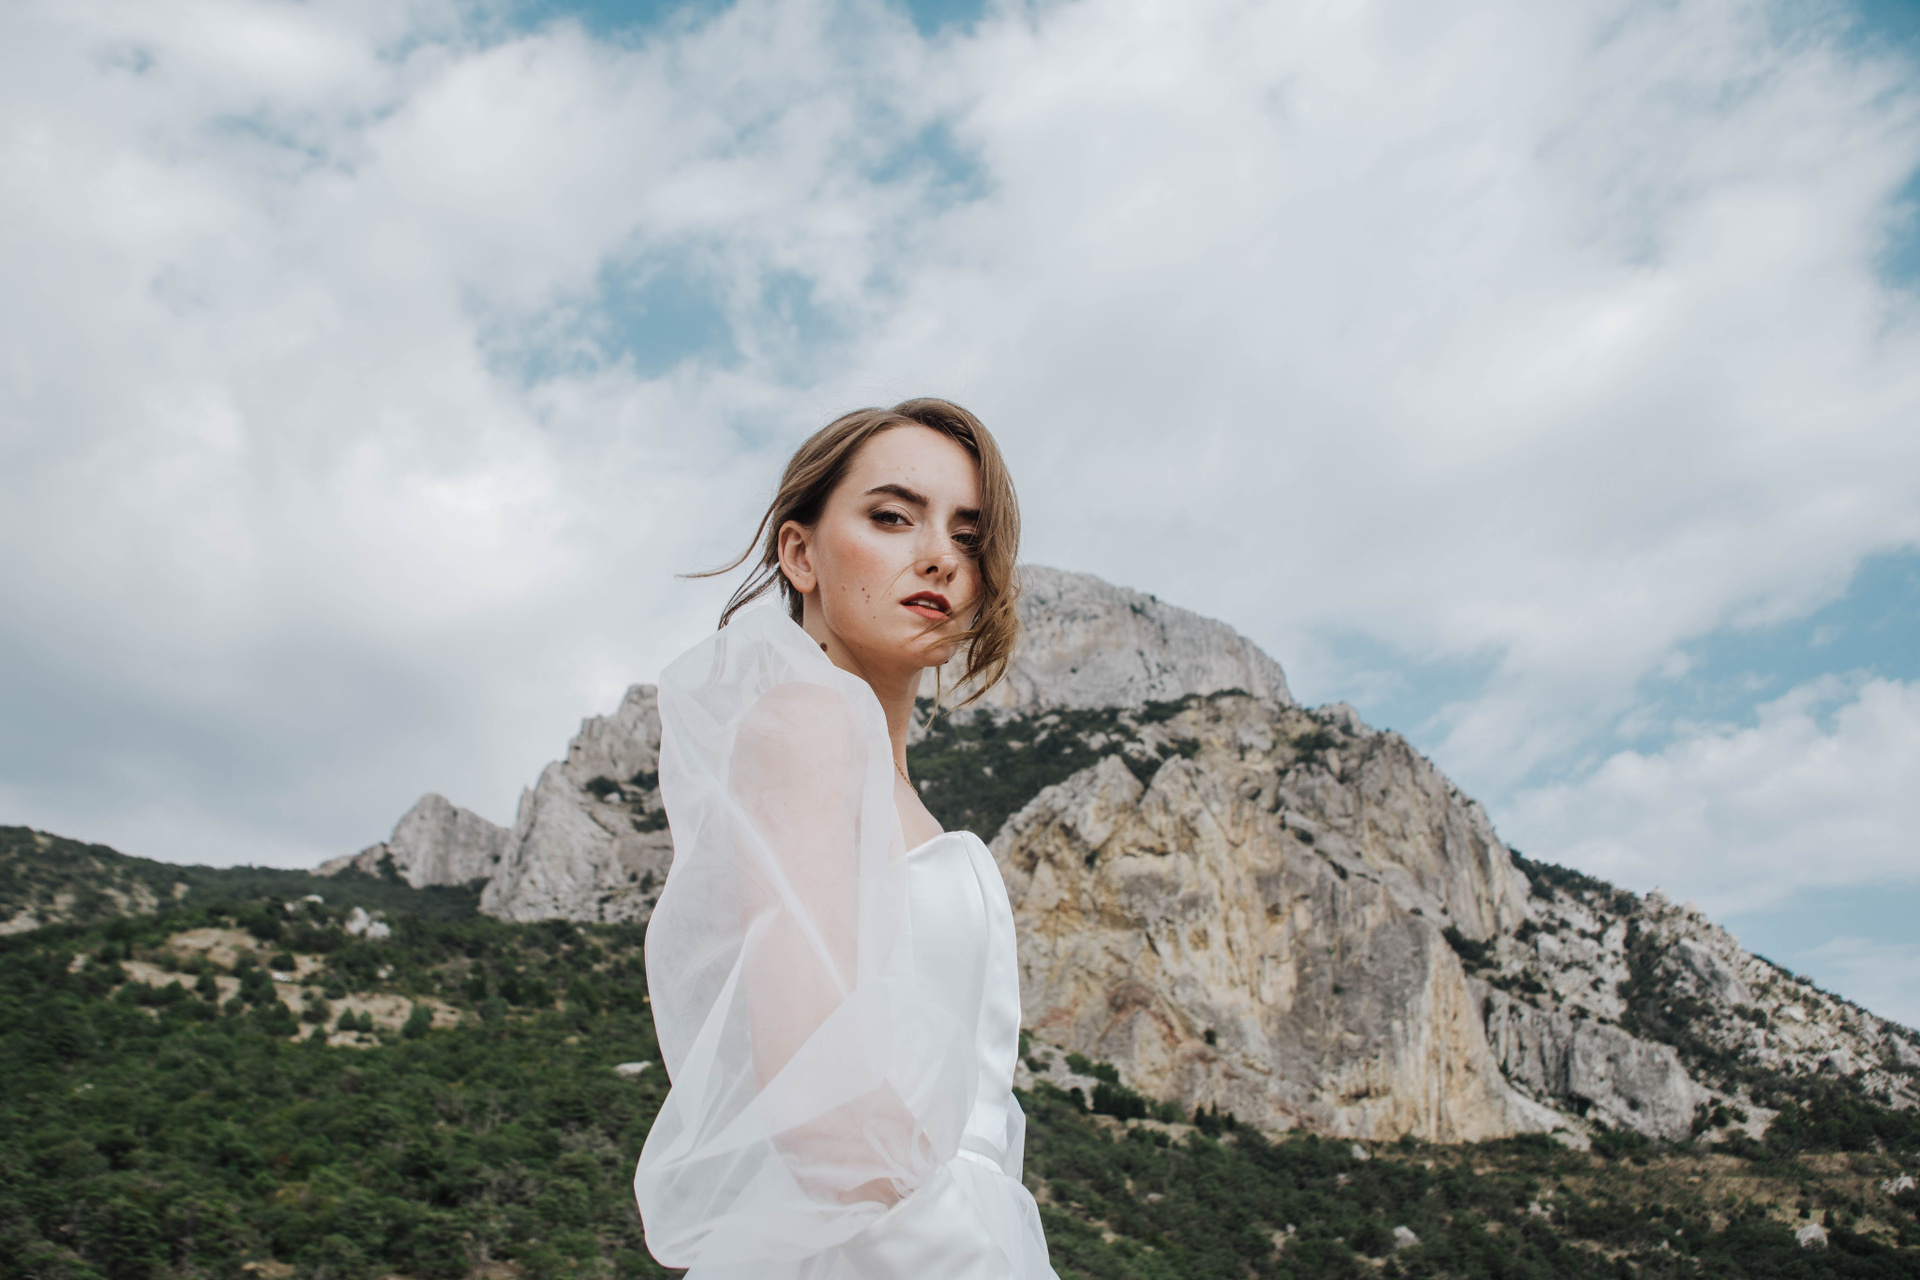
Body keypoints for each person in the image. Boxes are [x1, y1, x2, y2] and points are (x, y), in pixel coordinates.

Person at [633, 399, 1058, 1278]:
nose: (940, 556)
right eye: (893, 517)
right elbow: (818, 1093)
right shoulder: (806, 723)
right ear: (801, 555)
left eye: (969, 536)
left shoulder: (879, 776)